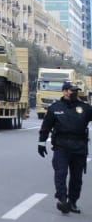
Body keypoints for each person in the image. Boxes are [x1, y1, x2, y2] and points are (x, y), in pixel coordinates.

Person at [39, 81, 92, 213]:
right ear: (64, 91)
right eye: (71, 90)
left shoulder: (84, 107)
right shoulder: (55, 108)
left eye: (75, 90)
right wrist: (41, 143)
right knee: (60, 173)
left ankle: (73, 202)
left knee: (77, 178)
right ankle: (62, 199)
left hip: (79, 147)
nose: (73, 92)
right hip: (61, 146)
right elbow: (46, 127)